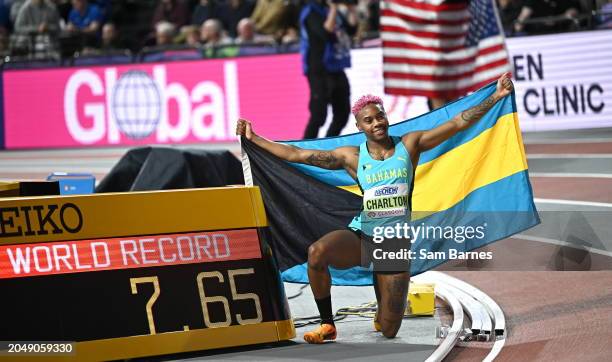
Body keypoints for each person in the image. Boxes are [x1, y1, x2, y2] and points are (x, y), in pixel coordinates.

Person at [236, 73, 514, 343]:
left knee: (389, 329)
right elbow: (296, 154)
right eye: (368, 120)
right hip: (363, 235)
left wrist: (496, 97)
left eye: (379, 116)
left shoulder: (410, 144)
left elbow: (456, 124)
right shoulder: (352, 157)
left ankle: (382, 295)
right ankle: (327, 325)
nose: (376, 123)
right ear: (359, 127)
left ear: (386, 116)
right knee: (317, 253)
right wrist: (255, 138)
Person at [300, 0, 357, 139]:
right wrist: (333, 8)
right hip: (319, 69)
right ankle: (303, 148)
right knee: (318, 115)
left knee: (342, 114)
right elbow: (326, 32)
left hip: (336, 68)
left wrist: (351, 8)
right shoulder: (310, 11)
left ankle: (327, 144)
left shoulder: (332, 10)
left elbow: (352, 29)